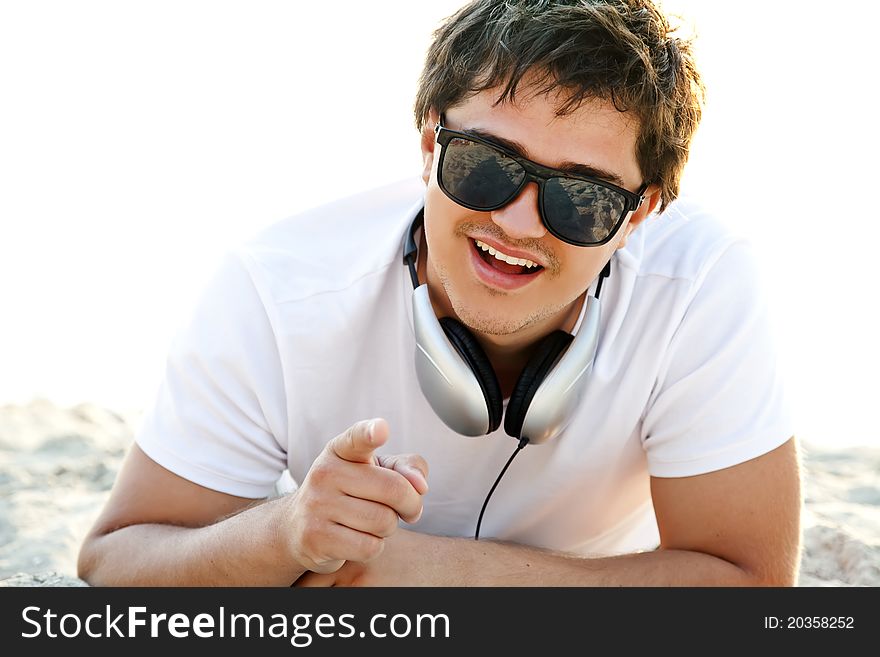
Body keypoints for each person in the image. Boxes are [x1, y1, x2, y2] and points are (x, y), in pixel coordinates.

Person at [78, 0, 801, 587]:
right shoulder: (277, 291)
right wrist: (285, 529)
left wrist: (432, 570)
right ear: (430, 147)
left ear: (638, 216)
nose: (518, 222)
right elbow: (115, 558)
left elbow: (755, 589)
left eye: (581, 196)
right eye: (487, 163)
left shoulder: (700, 283)